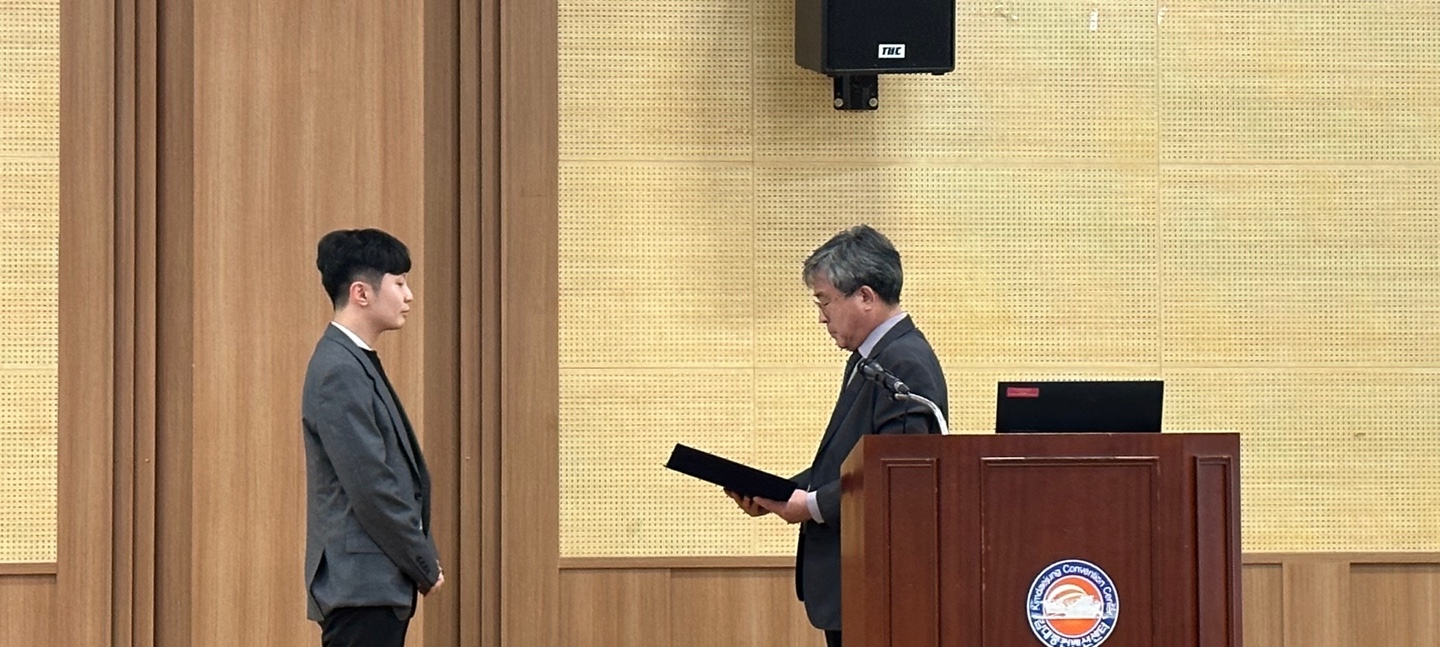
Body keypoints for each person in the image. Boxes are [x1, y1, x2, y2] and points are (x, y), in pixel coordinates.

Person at [729, 224, 948, 647]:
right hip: (858, 581)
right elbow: (851, 463)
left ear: (865, 296)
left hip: (880, 582)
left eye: (825, 301)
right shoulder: (872, 358)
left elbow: (898, 481)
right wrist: (777, 492)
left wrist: (810, 505)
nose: (821, 317)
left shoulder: (903, 362)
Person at [302, 228, 443, 647]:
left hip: (373, 585)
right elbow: (372, 485)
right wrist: (421, 559)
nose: (408, 296)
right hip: (361, 587)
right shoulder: (339, 369)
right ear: (361, 293)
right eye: (399, 283)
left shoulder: (351, 361)